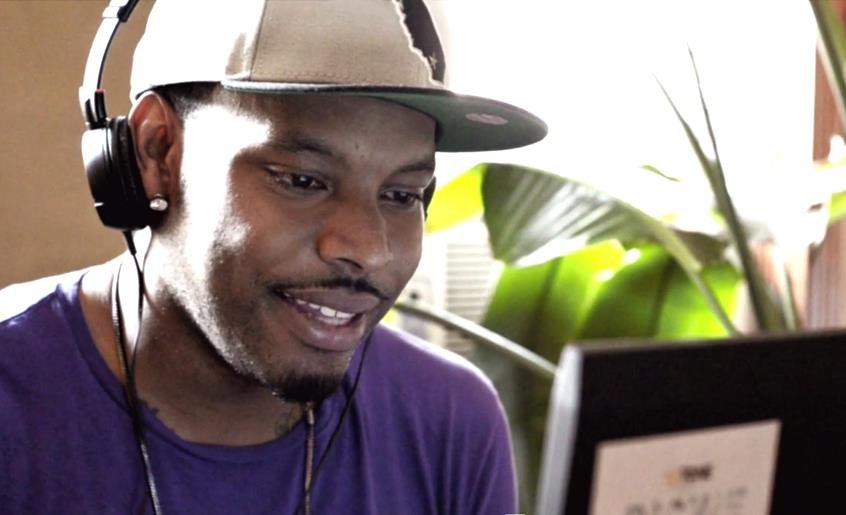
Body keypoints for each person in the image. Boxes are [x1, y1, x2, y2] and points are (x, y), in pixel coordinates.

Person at [0, 1, 546, 514]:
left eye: (402, 194)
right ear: (158, 152)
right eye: (303, 181)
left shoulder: (451, 421)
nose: (369, 250)